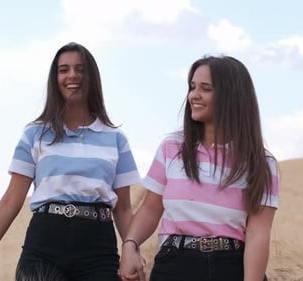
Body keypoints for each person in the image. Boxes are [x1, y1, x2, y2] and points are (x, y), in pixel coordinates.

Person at [0, 42, 140, 281]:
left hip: (98, 250)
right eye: (64, 70)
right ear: (55, 78)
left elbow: (123, 208)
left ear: (92, 77)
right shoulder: (35, 134)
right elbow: (11, 200)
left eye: (80, 69)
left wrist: (132, 251)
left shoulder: (115, 139)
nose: (72, 75)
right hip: (44, 247)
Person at [119, 55, 280, 281]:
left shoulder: (261, 164)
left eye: (206, 89)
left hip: (231, 267)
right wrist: (130, 245)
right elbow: (150, 208)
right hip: (174, 266)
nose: (194, 95)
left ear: (231, 97)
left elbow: (258, 233)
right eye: (192, 87)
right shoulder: (171, 148)